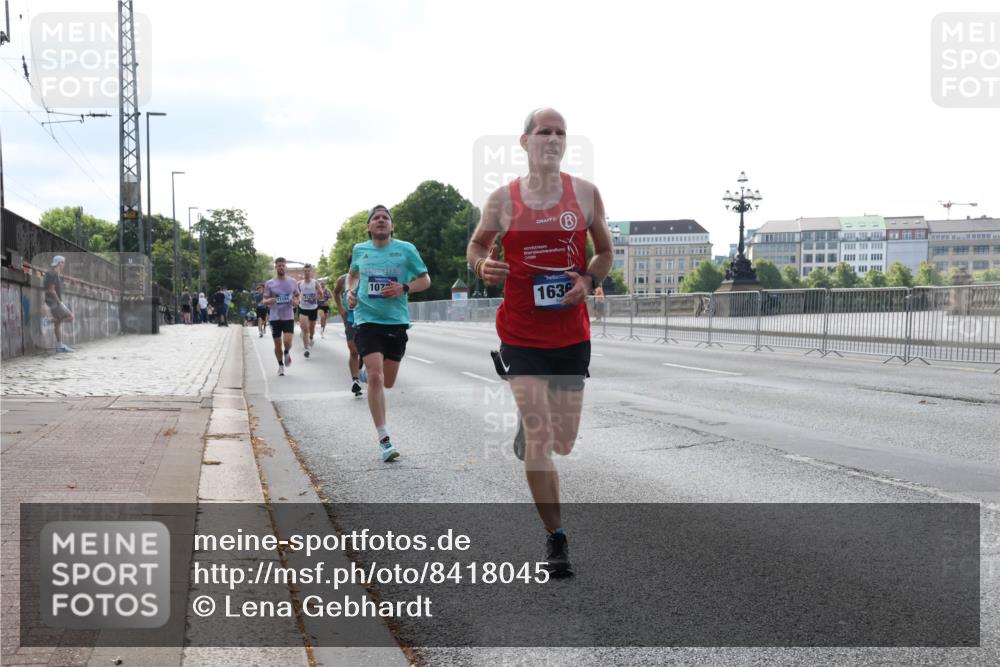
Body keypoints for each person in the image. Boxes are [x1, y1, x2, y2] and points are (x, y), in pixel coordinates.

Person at [467, 108, 613, 578]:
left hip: (570, 334)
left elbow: (605, 252)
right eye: (544, 131)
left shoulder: (585, 194)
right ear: (525, 141)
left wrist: (588, 281)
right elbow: (477, 246)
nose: (553, 139)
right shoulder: (502, 200)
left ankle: (534, 430)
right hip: (521, 332)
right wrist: (481, 265)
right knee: (540, 437)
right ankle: (556, 537)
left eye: (560, 133)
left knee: (564, 442)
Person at [347, 205, 431, 462]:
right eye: (376, 218)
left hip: (396, 322)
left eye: (385, 218)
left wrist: (404, 288)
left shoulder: (406, 249)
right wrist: (350, 292)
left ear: (392, 226)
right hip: (367, 320)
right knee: (376, 376)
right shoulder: (360, 250)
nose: (381, 221)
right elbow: (353, 276)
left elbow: (425, 280)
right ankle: (384, 439)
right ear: (369, 226)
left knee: (388, 382)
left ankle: (365, 373)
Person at [263, 257, 300, 376]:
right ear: (276, 267)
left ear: (286, 267)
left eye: (283, 265)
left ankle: (287, 352)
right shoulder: (269, 283)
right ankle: (280, 365)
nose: (281, 267)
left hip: (288, 316)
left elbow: (297, 295)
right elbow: (264, 300)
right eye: (279, 265)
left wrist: (296, 301)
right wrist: (269, 301)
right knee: (277, 344)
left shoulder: (293, 282)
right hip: (275, 317)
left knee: (287, 341)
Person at [334, 255, 363, 398]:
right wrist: (341, 309)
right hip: (350, 318)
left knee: (366, 350)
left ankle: (361, 369)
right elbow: (336, 293)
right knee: (353, 350)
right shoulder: (343, 279)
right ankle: (355, 381)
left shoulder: (367, 278)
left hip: (366, 318)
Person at [44, 255, 75, 352]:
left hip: (52, 301)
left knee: (58, 324)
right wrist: (60, 302)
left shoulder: (54, 274)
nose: (64, 265)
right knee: (70, 317)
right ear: (59, 263)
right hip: (54, 302)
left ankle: (60, 346)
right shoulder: (52, 274)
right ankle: (49, 321)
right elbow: (51, 290)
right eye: (63, 262)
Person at [297, 264, 321, 357]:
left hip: (313, 308)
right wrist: (296, 299)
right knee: (305, 328)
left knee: (311, 328)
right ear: (303, 272)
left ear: (311, 272)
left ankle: (311, 337)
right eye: (305, 271)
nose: (307, 272)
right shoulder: (299, 284)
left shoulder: (315, 283)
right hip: (302, 308)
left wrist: (314, 298)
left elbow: (321, 294)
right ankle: (306, 348)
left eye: (308, 271)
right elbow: (295, 293)